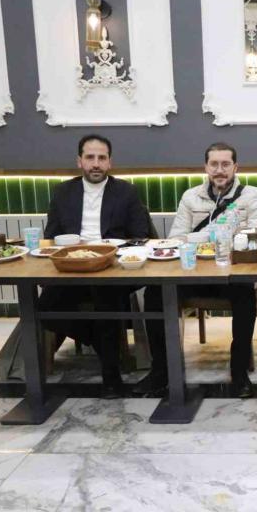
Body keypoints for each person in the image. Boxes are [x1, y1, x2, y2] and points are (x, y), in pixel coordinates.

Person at [139, 142, 257, 398]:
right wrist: (219, 236)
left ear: (235, 167)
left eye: (225, 164)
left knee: (245, 296)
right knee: (155, 293)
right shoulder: (191, 196)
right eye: (214, 164)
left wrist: (201, 238)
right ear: (206, 167)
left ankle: (239, 372)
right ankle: (161, 370)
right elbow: (176, 239)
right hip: (192, 272)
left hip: (231, 273)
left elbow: (256, 236)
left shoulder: (252, 195)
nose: (220, 170)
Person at [40, 134, 150, 398]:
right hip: (72, 266)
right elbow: (51, 236)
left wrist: (112, 251)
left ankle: (111, 377)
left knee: (104, 299)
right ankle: (100, 343)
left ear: (110, 162)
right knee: (44, 307)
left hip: (112, 267)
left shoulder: (126, 191)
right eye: (90, 157)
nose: (96, 163)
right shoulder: (63, 192)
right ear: (79, 161)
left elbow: (140, 234)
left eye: (102, 158)